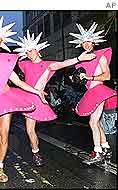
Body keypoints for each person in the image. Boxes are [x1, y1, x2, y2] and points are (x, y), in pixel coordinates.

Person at [0, 12, 47, 189]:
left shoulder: (6, 60)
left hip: (6, 101)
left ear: (2, 41)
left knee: (4, 137)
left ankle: (0, 168)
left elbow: (18, 81)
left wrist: (37, 91)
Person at [13, 30, 96, 166]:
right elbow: (10, 62)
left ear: (39, 51)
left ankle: (36, 152)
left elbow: (62, 63)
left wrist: (79, 59)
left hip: (39, 99)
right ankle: (36, 152)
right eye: (27, 51)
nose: (30, 53)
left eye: (33, 50)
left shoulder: (48, 65)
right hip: (27, 99)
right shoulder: (24, 64)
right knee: (29, 130)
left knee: (32, 129)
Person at [49, 22, 117, 165]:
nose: (86, 44)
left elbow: (107, 76)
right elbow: (81, 80)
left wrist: (89, 78)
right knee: (96, 122)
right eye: (84, 42)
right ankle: (106, 148)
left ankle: (97, 152)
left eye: (89, 42)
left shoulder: (100, 56)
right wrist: (75, 79)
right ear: (81, 44)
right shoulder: (81, 62)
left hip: (100, 91)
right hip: (90, 93)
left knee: (93, 122)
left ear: (94, 43)